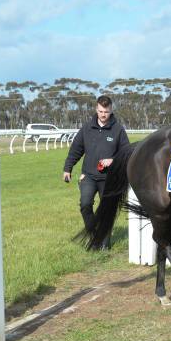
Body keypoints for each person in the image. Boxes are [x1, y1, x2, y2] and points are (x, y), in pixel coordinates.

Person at [63, 95, 129, 244]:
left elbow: (126, 153)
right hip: (89, 176)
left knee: (106, 210)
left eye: (106, 111)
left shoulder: (118, 130)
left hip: (109, 178)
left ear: (111, 110)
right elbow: (76, 150)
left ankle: (104, 243)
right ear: (96, 109)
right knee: (85, 205)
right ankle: (94, 234)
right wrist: (68, 169)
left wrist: (112, 160)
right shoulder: (87, 128)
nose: (103, 114)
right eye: (100, 111)